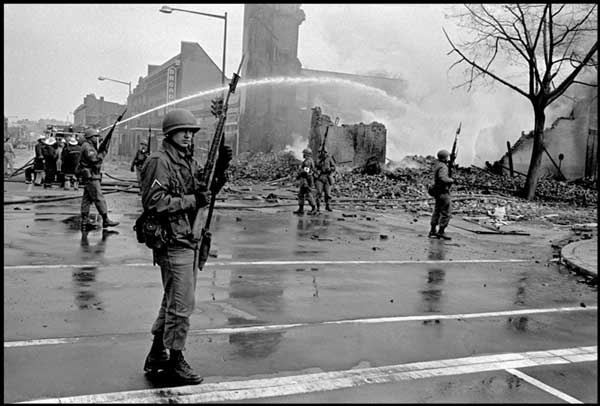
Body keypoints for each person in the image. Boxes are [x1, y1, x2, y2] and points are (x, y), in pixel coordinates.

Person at [140, 108, 232, 385]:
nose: (189, 138)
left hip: (189, 238)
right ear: (170, 133)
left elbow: (203, 189)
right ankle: (175, 360)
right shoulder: (160, 161)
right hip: (173, 241)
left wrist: (220, 169)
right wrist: (194, 200)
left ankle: (158, 353)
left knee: (173, 300)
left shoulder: (185, 161)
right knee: (182, 305)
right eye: (184, 132)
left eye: (192, 133)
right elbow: (155, 202)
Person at [78, 127, 119, 230]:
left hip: (90, 176)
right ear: (90, 137)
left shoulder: (88, 145)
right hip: (91, 176)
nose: (96, 138)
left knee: (86, 199)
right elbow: (95, 160)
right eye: (95, 136)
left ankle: (84, 221)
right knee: (98, 197)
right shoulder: (88, 147)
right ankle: (105, 219)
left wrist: (105, 141)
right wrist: (103, 152)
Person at [429, 149, 454, 240]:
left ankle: (432, 230)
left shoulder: (437, 164)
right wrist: (451, 180)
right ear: (445, 158)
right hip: (443, 192)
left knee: (437, 210)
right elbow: (442, 178)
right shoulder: (443, 167)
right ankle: (441, 232)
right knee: (446, 212)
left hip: (437, 192)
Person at [293, 148, 318, 216]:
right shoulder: (309, 161)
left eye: (304, 153)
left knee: (308, 195)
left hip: (306, 180)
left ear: (307, 154)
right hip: (306, 180)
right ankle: (301, 209)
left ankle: (314, 208)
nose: (303, 155)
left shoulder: (307, 162)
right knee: (301, 194)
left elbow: (306, 171)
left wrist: (299, 173)